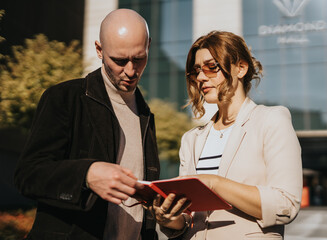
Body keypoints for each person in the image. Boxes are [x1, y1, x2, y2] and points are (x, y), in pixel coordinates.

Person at [14, 9, 160, 240]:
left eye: (139, 58)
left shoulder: (145, 114)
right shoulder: (64, 97)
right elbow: (27, 175)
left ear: (149, 46)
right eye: (119, 61)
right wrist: (87, 175)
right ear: (99, 50)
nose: (131, 71)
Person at [151, 31, 303, 239]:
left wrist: (214, 183)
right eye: (197, 71)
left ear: (241, 68)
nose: (201, 77)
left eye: (211, 67)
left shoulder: (272, 120)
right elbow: (190, 218)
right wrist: (171, 219)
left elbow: (285, 204)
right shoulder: (191, 139)